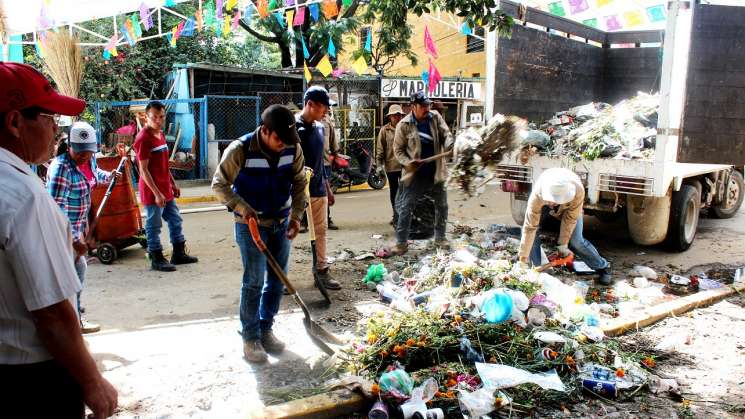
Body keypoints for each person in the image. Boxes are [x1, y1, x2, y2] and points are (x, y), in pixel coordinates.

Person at [0, 62, 118, 418]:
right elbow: (51, 312)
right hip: (31, 380)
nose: (56, 129)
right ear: (16, 122)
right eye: (50, 118)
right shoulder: (24, 195)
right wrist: (92, 381)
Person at [212, 105, 306, 363]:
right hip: (251, 226)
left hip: (282, 221)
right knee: (253, 281)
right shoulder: (239, 149)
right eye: (279, 139)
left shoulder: (292, 148)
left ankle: (266, 329)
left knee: (277, 280)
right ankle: (250, 337)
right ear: (265, 131)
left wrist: (296, 216)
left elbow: (300, 183)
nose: (283, 145)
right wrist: (243, 208)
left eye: (287, 140)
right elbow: (219, 185)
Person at [47, 121, 119, 334]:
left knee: (76, 275)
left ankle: (74, 318)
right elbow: (54, 209)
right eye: (80, 153)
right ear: (69, 147)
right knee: (66, 280)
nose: (84, 157)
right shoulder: (61, 168)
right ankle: (70, 323)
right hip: (62, 234)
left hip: (78, 229)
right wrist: (72, 240)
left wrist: (110, 176)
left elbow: (94, 175)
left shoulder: (89, 160)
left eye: (88, 153)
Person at [517, 168, 612, 285]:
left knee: (576, 242)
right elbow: (530, 227)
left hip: (568, 209)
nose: (553, 203)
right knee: (532, 233)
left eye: (556, 201)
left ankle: (603, 267)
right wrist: (523, 258)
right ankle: (536, 271)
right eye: (552, 200)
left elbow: (570, 219)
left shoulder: (577, 191)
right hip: (543, 203)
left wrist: (563, 244)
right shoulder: (538, 194)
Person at [134, 101, 198, 272]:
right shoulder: (143, 139)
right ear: (146, 117)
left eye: (161, 116)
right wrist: (156, 193)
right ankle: (156, 258)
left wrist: (172, 184)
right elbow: (143, 170)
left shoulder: (160, 135)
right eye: (154, 117)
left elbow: (163, 164)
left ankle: (178, 253)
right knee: (154, 225)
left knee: (175, 220)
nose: (158, 120)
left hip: (165, 189)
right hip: (152, 191)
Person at [390, 91, 453, 255]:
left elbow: (446, 133)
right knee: (406, 207)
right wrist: (408, 163)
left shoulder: (435, 117)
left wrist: (449, 145)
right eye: (423, 105)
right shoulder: (403, 125)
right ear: (413, 106)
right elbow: (398, 151)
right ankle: (401, 243)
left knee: (442, 206)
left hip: (436, 172)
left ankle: (440, 238)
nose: (427, 108)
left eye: (428, 105)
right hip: (415, 174)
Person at [297, 86, 341, 290]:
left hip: (317, 189)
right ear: (310, 104)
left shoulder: (320, 128)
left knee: (320, 232)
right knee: (285, 234)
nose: (326, 111)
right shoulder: (292, 129)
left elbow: (319, 162)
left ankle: (321, 270)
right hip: (295, 192)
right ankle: (277, 278)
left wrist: (327, 187)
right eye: (323, 107)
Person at [376, 104, 406, 226]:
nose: (398, 117)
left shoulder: (405, 129)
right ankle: (396, 215)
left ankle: (403, 216)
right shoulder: (384, 130)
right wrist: (379, 165)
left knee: (405, 192)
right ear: (390, 117)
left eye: (399, 115)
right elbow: (380, 149)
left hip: (404, 166)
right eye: (395, 115)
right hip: (391, 167)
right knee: (394, 191)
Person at [321, 113, 340, 230]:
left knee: (325, 192)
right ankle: (303, 221)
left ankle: (327, 219)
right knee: (306, 193)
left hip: (325, 162)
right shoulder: (302, 120)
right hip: (308, 163)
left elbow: (333, 140)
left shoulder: (327, 121)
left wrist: (336, 155)